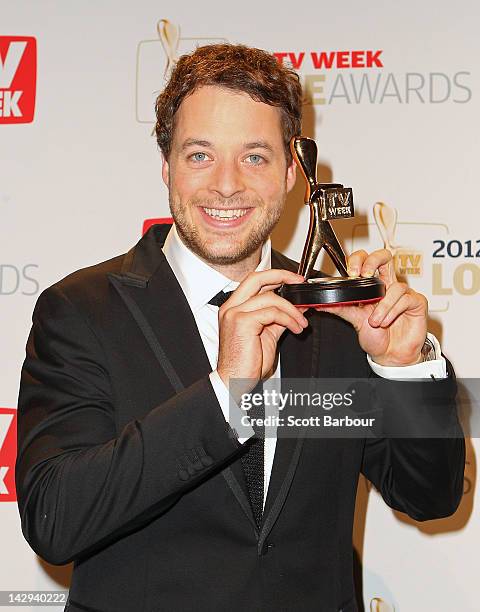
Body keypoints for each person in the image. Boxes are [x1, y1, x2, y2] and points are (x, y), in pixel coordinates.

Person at [16, 44, 464, 612]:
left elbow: (429, 497)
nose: (226, 185)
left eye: (254, 157)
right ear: (166, 165)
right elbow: (56, 519)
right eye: (200, 155)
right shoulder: (83, 311)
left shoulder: (336, 318)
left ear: (292, 171)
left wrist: (402, 370)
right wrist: (224, 394)